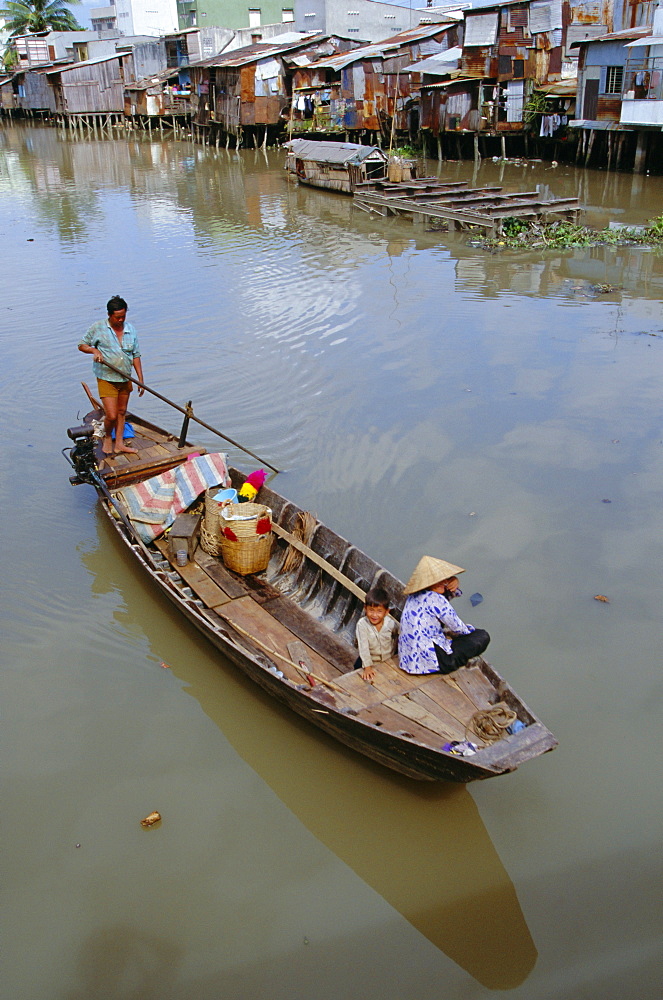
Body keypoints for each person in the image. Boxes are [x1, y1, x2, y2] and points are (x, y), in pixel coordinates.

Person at [398, 555, 490, 676]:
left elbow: (445, 597)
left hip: (406, 660)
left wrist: (454, 582)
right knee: (482, 636)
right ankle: (449, 663)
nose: (443, 583)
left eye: (444, 579)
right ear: (428, 584)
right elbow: (459, 629)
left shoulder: (414, 595)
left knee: (455, 634)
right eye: (437, 581)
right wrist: (470, 632)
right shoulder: (436, 599)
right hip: (430, 662)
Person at [78, 296, 144, 456]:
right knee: (112, 415)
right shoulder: (98, 328)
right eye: (117, 317)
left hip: (125, 377)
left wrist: (140, 379)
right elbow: (82, 345)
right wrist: (94, 351)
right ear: (109, 315)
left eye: (123, 316)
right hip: (106, 378)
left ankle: (119, 444)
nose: (120, 320)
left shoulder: (130, 330)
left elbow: (136, 355)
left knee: (122, 412)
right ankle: (108, 438)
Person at [354, 586, 399, 683]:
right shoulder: (362, 625)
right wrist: (367, 668)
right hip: (369, 662)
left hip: (387, 660)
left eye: (379, 611)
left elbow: (395, 638)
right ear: (365, 608)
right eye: (371, 610)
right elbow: (363, 648)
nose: (374, 615)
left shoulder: (390, 624)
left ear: (386, 612)